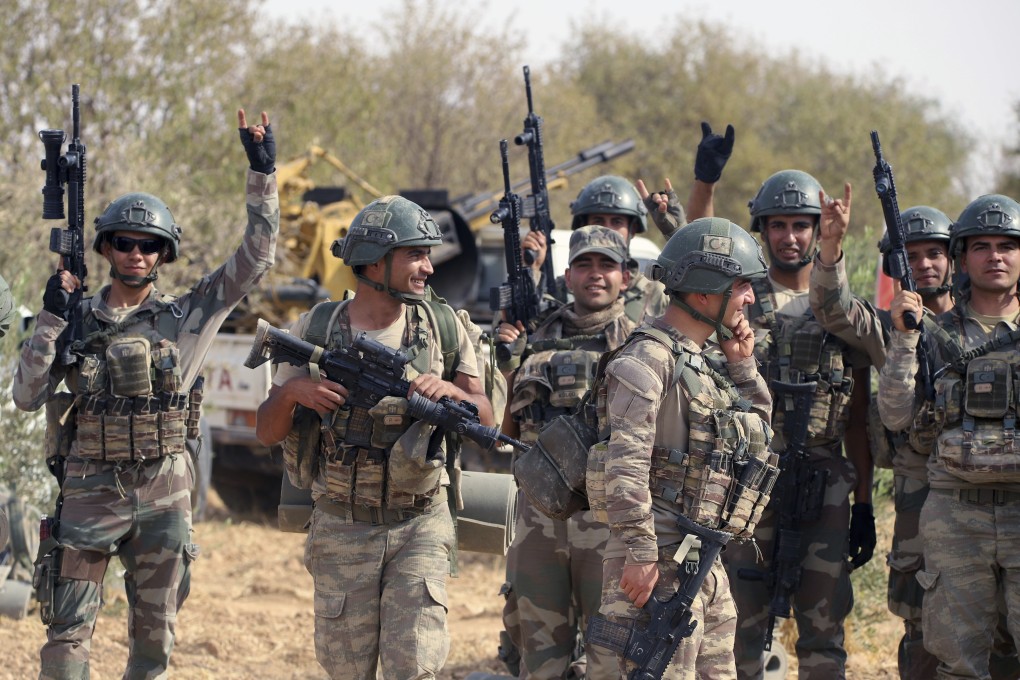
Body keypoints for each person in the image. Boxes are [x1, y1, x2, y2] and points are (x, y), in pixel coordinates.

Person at [13, 109, 278, 679]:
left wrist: (262, 173)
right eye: (126, 243)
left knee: (154, 647)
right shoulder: (76, 317)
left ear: (164, 253)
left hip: (164, 498)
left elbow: (255, 258)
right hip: (88, 494)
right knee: (65, 640)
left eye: (150, 245)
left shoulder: (188, 315)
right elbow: (27, 394)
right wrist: (51, 321)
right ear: (107, 247)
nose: (137, 254)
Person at [254, 195, 493, 680]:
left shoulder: (443, 326)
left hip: (419, 524)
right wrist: (294, 392)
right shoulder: (317, 327)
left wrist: (450, 391)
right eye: (415, 255)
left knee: (415, 668)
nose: (428, 266)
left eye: (427, 254)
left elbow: (485, 415)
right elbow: (266, 431)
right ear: (373, 262)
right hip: (342, 527)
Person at [585, 216, 775, 678]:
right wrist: (642, 551)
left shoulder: (706, 364)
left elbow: (760, 444)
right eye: (742, 285)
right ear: (707, 292)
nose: (749, 298)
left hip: (701, 564)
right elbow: (624, 465)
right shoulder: (647, 360)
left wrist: (743, 368)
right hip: (656, 566)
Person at [722, 171, 885, 679]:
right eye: (778, 225)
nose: (789, 236)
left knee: (823, 628)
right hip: (749, 481)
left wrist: (863, 507)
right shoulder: (739, 305)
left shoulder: (840, 312)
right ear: (762, 230)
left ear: (817, 232)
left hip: (824, 486)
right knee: (737, 625)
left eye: (800, 225)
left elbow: (857, 418)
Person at [878, 194, 1020, 679]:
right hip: (956, 516)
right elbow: (897, 415)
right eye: (982, 246)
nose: (995, 256)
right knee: (957, 663)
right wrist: (903, 340)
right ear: (963, 258)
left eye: (1007, 245)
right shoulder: (934, 333)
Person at [496, 225, 636, 679]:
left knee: (611, 660)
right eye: (584, 265)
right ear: (568, 275)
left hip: (609, 524)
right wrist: (506, 364)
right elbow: (502, 432)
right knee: (538, 661)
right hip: (539, 524)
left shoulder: (642, 343)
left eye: (606, 265)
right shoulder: (531, 338)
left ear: (625, 278)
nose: (595, 275)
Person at [524, 121, 735, 323]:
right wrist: (531, 270)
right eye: (598, 221)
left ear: (633, 230)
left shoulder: (656, 295)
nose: (606, 230)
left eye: (616, 221)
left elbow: (705, 292)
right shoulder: (561, 291)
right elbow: (518, 332)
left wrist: (680, 232)